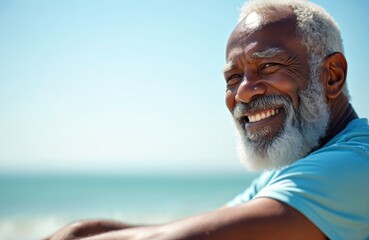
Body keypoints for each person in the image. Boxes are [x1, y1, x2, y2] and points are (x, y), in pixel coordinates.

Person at [45, 0, 369, 239]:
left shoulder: (354, 164)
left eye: (268, 67)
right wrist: (81, 230)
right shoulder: (294, 168)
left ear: (332, 76)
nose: (243, 93)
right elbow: (212, 224)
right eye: (233, 77)